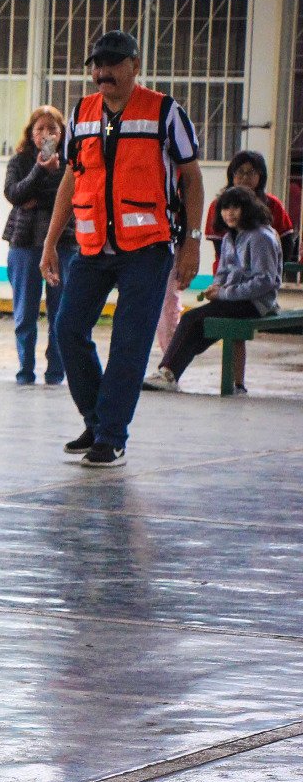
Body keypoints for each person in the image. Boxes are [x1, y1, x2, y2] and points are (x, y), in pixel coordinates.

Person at [42, 29, 203, 468]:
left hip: (148, 247)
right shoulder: (80, 114)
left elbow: (191, 179)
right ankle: (97, 421)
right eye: (96, 65)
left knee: (128, 344)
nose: (102, 73)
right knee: (68, 328)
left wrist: (191, 244)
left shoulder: (165, 113)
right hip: (93, 246)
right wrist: (51, 241)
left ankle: (111, 437)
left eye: (112, 63)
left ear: (135, 65)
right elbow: (72, 179)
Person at [143, 186, 282, 393]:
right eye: (225, 209)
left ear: (249, 209)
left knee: (192, 319)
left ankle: (168, 373)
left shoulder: (260, 237)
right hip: (234, 300)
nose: (230, 213)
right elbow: (224, 272)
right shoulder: (229, 237)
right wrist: (216, 287)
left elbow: (265, 281)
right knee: (199, 324)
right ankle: (169, 373)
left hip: (257, 303)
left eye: (236, 207)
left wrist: (224, 293)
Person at [198, 150, 295, 394]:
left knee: (217, 321)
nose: (244, 177)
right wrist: (223, 285)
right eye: (239, 172)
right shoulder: (218, 207)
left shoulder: (272, 207)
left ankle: (236, 382)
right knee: (223, 323)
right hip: (229, 281)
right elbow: (221, 251)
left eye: (250, 172)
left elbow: (286, 241)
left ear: (260, 176)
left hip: (255, 285)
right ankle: (236, 382)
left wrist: (274, 270)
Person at [3, 106, 76, 385]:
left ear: (62, 134)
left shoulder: (71, 162)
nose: (46, 135)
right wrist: (38, 171)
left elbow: (66, 197)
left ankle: (56, 373)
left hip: (63, 243)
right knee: (25, 313)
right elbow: (14, 193)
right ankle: (25, 371)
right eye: (40, 130)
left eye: (52, 130)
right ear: (31, 134)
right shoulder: (20, 161)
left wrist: (34, 197)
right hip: (24, 243)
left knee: (60, 313)